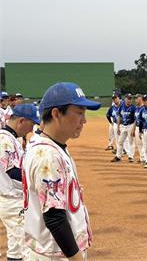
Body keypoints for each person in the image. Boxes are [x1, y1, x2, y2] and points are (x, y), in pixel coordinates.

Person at [23, 82, 101, 260]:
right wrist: (76, 258)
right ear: (56, 113)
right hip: (56, 254)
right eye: (79, 113)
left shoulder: (45, 143)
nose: (84, 121)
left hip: (49, 248)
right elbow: (54, 218)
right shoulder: (48, 156)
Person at [0, 104, 40, 261]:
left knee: (16, 246)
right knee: (26, 246)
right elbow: (12, 172)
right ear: (22, 121)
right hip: (11, 199)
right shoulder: (4, 140)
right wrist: (37, 180)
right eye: (31, 124)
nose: (31, 130)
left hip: (13, 198)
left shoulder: (10, 138)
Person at [116, 93, 136, 163]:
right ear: (125, 99)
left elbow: (136, 119)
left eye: (130, 99)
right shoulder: (121, 106)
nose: (129, 100)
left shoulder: (133, 107)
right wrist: (118, 127)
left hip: (130, 125)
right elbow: (119, 117)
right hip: (123, 126)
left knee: (131, 142)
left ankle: (131, 157)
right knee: (120, 142)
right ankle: (118, 156)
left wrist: (133, 129)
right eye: (128, 98)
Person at [106, 94, 122, 162]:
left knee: (127, 140)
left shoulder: (123, 106)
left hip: (124, 125)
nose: (115, 99)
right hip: (116, 124)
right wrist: (111, 122)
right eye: (114, 98)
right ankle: (119, 153)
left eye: (116, 98)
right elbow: (107, 115)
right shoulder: (112, 107)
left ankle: (128, 153)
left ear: (119, 98)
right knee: (118, 140)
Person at [132, 94, 145, 164]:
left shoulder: (144, 108)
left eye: (137, 98)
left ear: (141, 98)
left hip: (143, 128)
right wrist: (133, 129)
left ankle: (145, 159)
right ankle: (142, 158)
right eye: (135, 98)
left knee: (144, 144)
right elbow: (135, 120)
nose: (135, 100)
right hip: (137, 127)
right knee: (139, 144)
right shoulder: (136, 108)